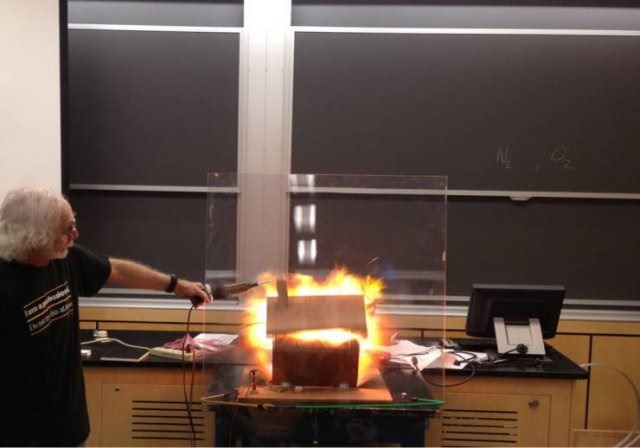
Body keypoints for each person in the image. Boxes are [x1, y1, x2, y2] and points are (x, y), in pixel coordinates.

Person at [0, 186, 211, 447]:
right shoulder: (6, 283)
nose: (75, 234)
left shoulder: (63, 257)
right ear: (38, 236)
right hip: (21, 436)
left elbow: (118, 270)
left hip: (70, 428)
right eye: (68, 228)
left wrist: (176, 285)